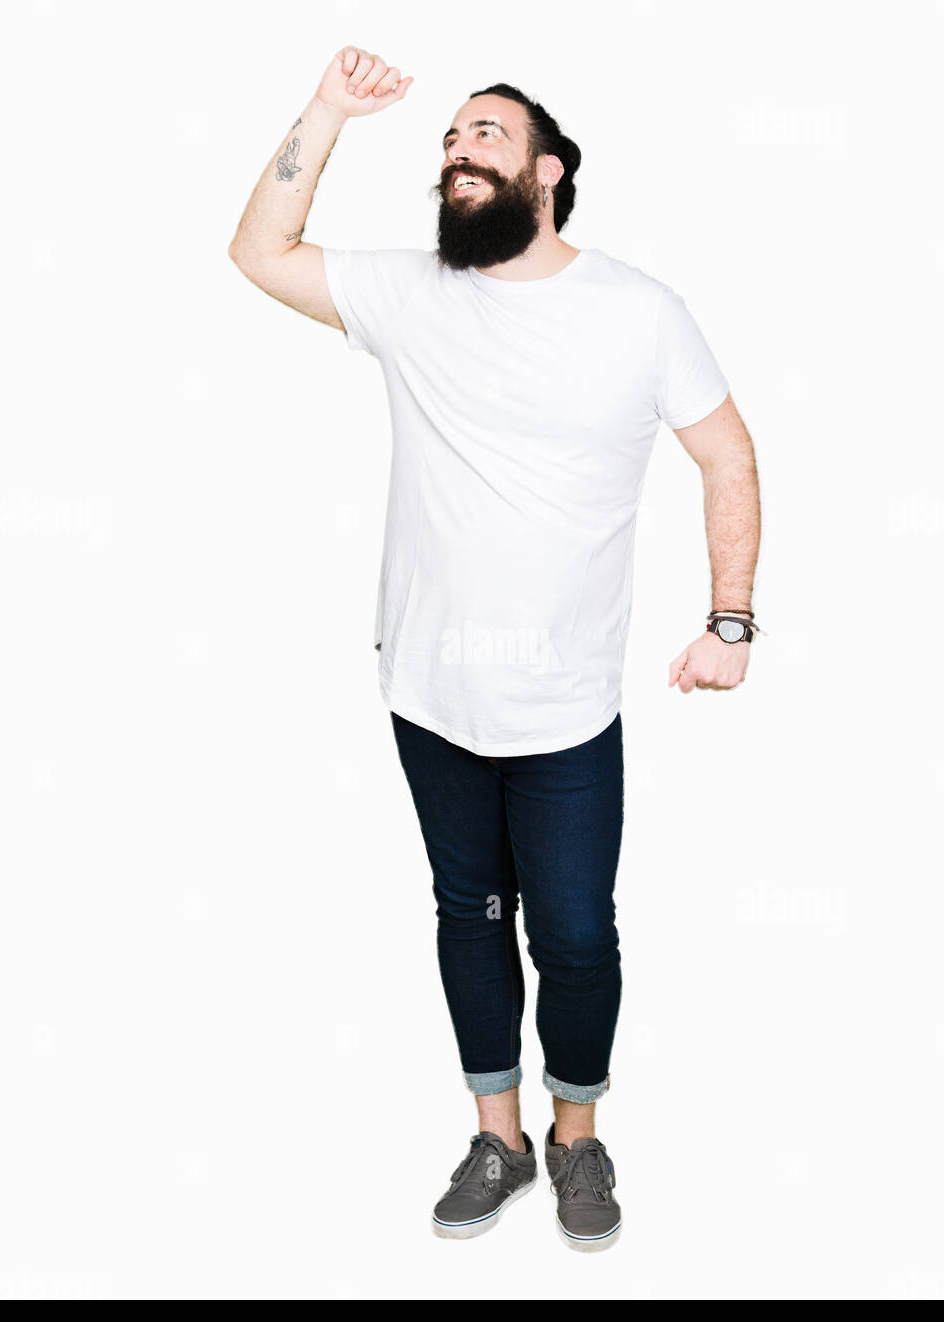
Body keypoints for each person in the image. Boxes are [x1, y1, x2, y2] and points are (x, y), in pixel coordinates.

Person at [228, 45, 762, 1252]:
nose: (458, 153)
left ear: (550, 175)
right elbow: (259, 252)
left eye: (486, 138)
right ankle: (499, 1136)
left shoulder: (637, 310)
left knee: (574, 933)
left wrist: (729, 618)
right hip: (427, 690)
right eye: (450, 141)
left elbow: (727, 454)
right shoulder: (410, 290)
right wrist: (327, 111)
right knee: (465, 913)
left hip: (566, 708)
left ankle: (577, 1139)